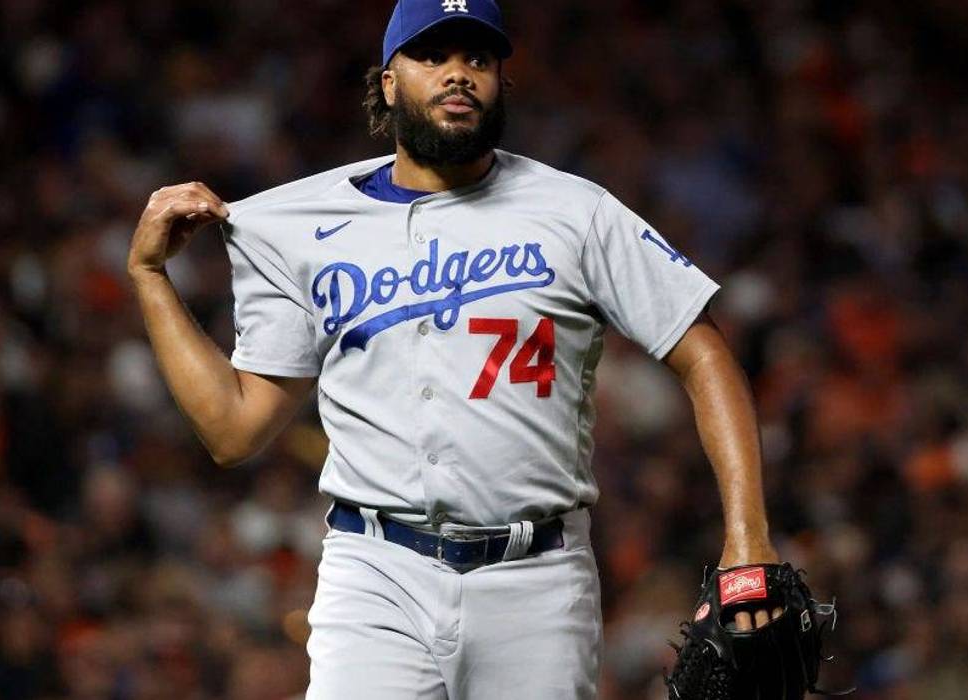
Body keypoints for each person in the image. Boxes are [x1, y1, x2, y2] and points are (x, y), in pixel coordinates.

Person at [127, 1, 783, 697]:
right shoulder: (296, 225)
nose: (458, 75)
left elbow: (704, 354)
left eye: (477, 59)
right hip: (375, 573)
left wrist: (748, 538)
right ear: (386, 81)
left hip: (537, 577)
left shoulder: (575, 212)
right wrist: (149, 278)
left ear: (502, 83)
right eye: (432, 56)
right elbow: (234, 430)